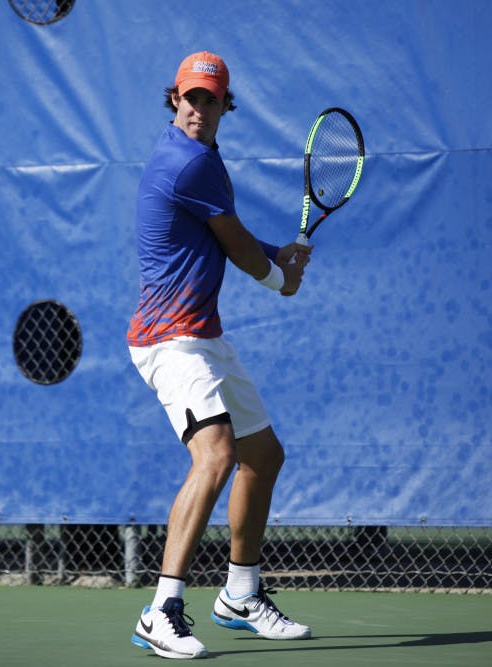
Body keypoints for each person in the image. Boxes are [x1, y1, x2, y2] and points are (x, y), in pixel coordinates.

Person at [127, 51, 313, 660]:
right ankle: (160, 611)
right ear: (174, 99)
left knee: (263, 455)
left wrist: (277, 253)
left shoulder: (201, 158)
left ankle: (239, 595)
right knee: (216, 455)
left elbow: (224, 231)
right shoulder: (187, 162)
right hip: (170, 339)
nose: (200, 109)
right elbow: (235, 247)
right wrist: (280, 278)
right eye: (191, 98)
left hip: (201, 335)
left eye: (211, 100)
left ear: (224, 105)